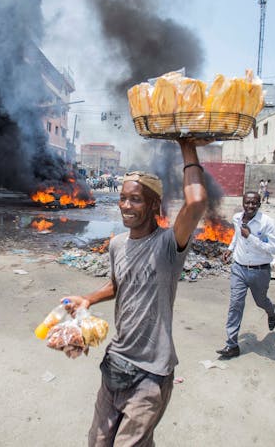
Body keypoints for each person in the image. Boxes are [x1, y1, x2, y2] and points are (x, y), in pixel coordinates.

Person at [63, 138, 210, 446]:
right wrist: (88, 299)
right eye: (122, 198)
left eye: (136, 200)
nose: (125, 206)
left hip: (152, 373)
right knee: (98, 441)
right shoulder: (117, 244)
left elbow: (195, 202)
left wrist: (186, 144)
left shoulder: (169, 245)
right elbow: (119, 284)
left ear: (155, 205)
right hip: (116, 363)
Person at [216, 192, 275, 359]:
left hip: (260, 270)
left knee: (261, 301)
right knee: (235, 305)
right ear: (243, 202)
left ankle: (271, 310)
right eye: (247, 202)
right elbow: (237, 235)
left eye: (254, 203)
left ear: (259, 204)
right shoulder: (237, 218)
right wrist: (230, 250)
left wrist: (250, 237)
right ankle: (232, 345)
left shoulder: (267, 223)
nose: (250, 206)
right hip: (239, 268)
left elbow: (273, 248)